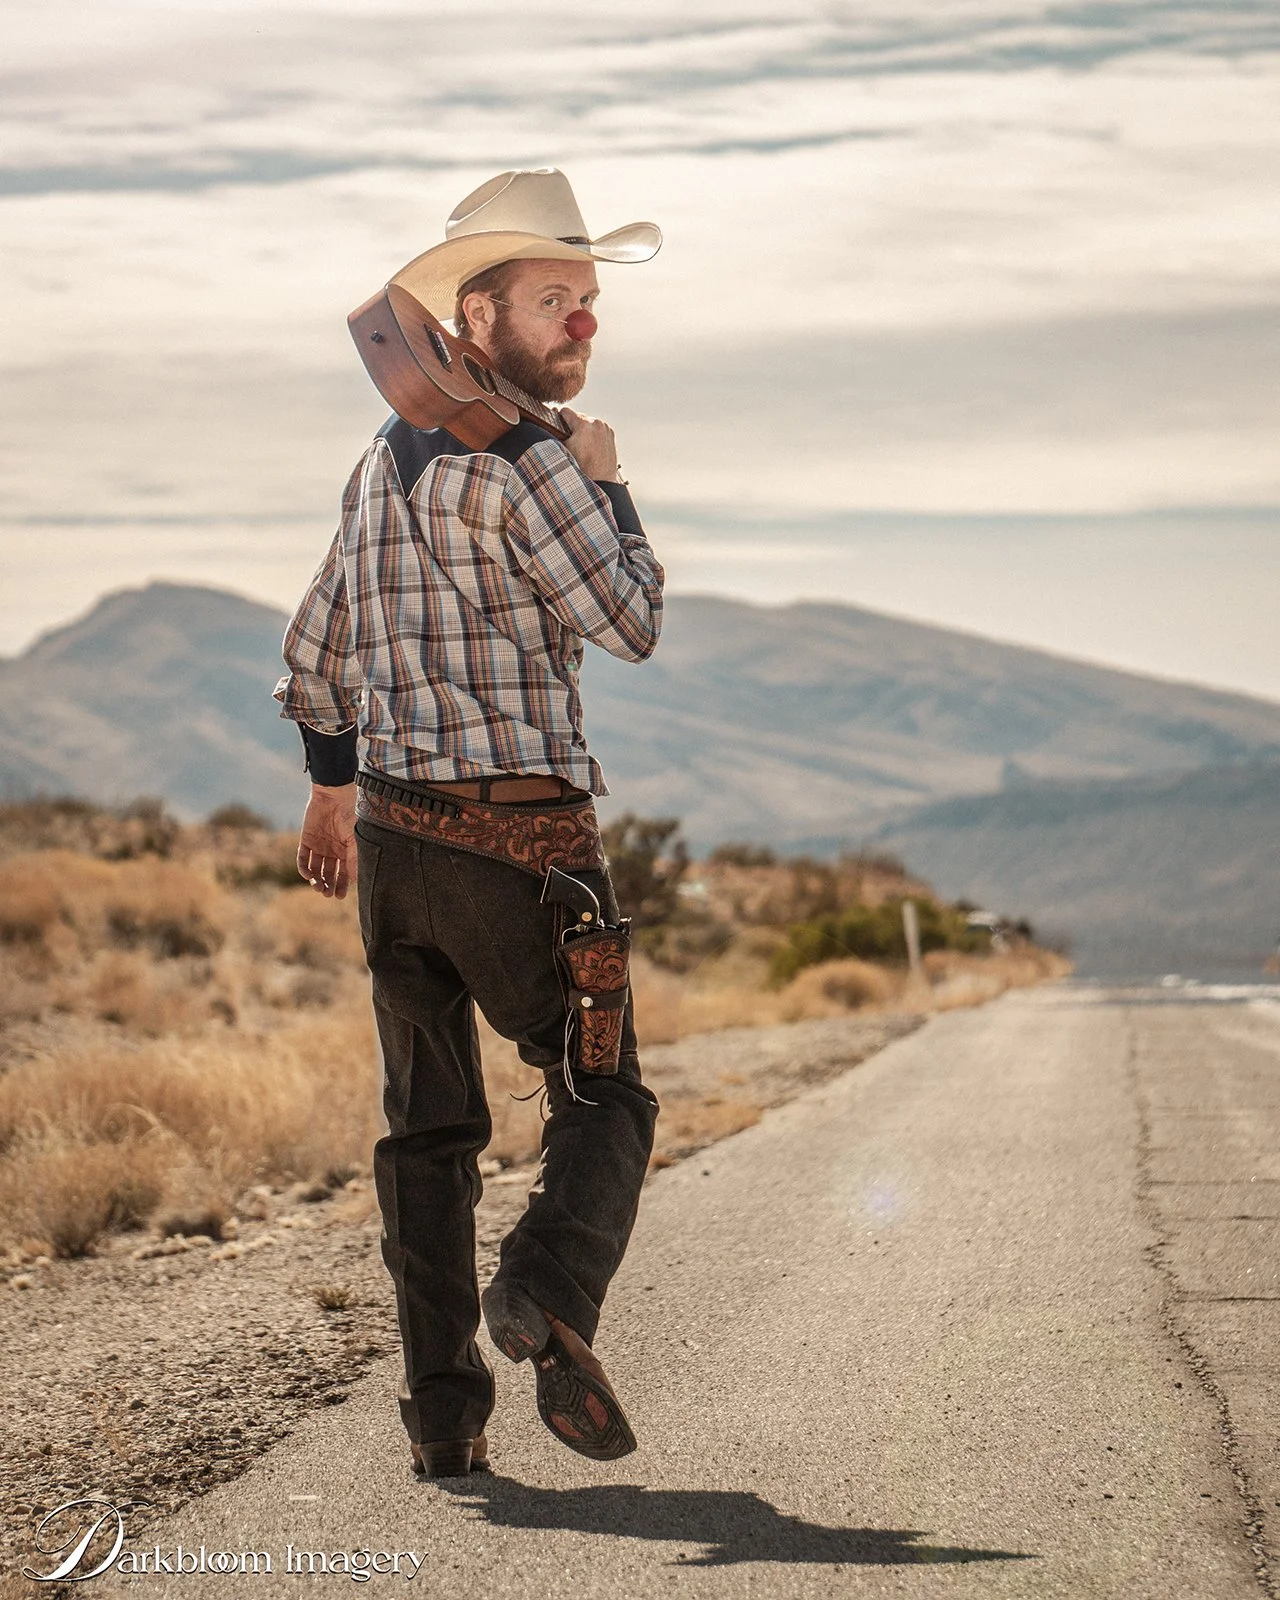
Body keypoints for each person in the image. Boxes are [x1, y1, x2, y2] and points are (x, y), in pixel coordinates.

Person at [273, 169, 665, 1478]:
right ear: (474, 311)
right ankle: (544, 1292)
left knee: (426, 1136)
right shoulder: (540, 459)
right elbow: (631, 623)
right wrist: (608, 488)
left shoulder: (378, 461)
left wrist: (330, 788)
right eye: (556, 298)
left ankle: (445, 1424)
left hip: (392, 845)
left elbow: (314, 647)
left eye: (591, 301)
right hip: (526, 853)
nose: (583, 324)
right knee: (600, 1089)